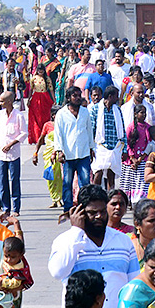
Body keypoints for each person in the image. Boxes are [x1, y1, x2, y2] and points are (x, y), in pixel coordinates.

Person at [48, 184, 140, 308]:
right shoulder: (65, 241)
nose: (99, 216)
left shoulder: (124, 242)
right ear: (79, 212)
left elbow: (134, 285)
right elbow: (57, 272)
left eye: (103, 211)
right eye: (92, 212)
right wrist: (76, 232)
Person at [54, 86, 94, 222]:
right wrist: (59, 151)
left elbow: (89, 130)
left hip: (83, 153)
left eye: (79, 95)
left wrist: (91, 148)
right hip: (68, 154)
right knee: (67, 183)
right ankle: (68, 209)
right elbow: (58, 134)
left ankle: (84, 207)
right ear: (69, 98)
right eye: (74, 96)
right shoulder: (61, 114)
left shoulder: (85, 112)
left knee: (85, 182)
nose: (77, 98)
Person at [0, 90, 27, 216]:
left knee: (14, 180)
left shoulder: (18, 115)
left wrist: (11, 144)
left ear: (9, 102)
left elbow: (23, 133)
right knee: (2, 181)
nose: (0, 103)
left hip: (14, 153)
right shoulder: (1, 114)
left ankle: (15, 208)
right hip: (1, 153)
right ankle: (6, 207)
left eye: (2, 101)